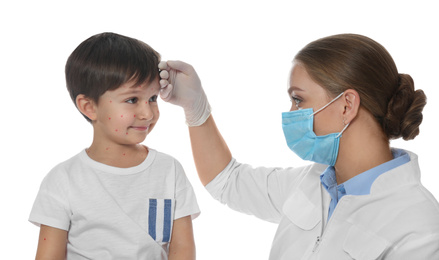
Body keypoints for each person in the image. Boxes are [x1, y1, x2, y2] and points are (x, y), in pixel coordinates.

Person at [158, 34, 439, 259]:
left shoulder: (418, 227)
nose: (291, 112)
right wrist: (196, 108)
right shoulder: (312, 183)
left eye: (298, 99)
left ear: (346, 105)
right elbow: (228, 181)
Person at [29, 32, 200, 260]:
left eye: (153, 98)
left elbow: (183, 251)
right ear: (89, 107)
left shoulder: (170, 171)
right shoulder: (63, 180)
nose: (148, 113)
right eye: (132, 100)